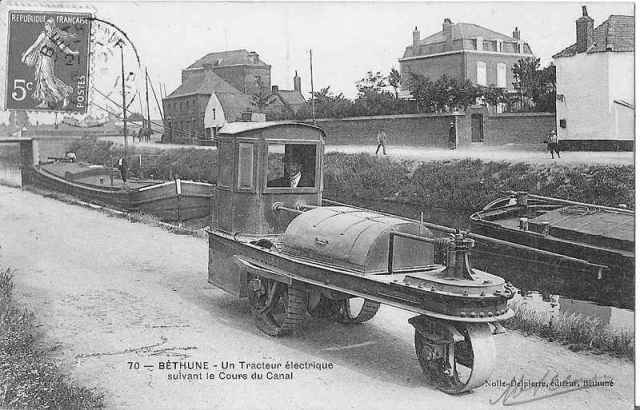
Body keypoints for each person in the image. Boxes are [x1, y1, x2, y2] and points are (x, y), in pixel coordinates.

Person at [20, 17, 79, 109]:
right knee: (42, 79)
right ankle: (45, 102)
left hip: (48, 60)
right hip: (41, 59)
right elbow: (34, 46)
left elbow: (63, 48)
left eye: (49, 25)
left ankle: (64, 96)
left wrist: (72, 52)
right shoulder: (43, 35)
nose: (47, 26)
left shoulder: (55, 36)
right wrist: (25, 55)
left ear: (52, 26)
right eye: (46, 25)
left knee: (49, 79)